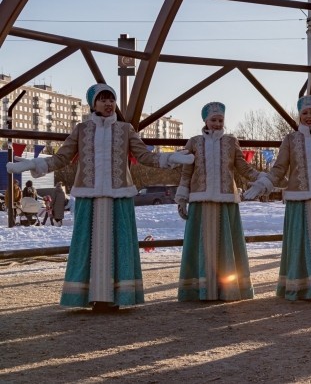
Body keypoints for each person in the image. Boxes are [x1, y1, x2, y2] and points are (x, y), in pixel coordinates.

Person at [5, 83, 194, 311]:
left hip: (119, 197)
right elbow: (61, 158)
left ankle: (117, 296)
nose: (108, 103)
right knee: (88, 245)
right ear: (93, 104)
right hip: (89, 197)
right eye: (102, 99)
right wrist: (33, 164)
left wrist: (171, 158)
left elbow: (144, 156)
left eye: (111, 99)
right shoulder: (82, 130)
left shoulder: (125, 129)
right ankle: (90, 296)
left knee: (119, 244)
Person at [243, 95, 311, 301]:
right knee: (301, 243)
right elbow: (279, 168)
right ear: (299, 116)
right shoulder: (290, 139)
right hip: (299, 200)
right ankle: (306, 289)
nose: (308, 116)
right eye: (305, 113)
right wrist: (264, 183)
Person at [175, 102, 264, 302]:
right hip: (200, 200)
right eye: (213, 120)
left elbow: (243, 167)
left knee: (226, 245)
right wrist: (182, 198)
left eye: (220, 120)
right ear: (205, 121)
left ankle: (227, 288)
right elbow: (186, 172)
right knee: (201, 245)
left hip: (226, 201)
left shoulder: (231, 142)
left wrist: (262, 179)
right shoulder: (194, 142)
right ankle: (200, 289)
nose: (217, 123)